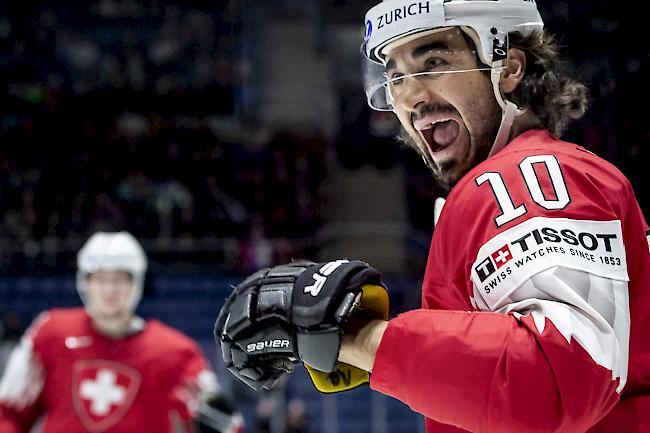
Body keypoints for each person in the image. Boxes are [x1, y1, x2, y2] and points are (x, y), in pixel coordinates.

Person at [214, 0, 650, 432]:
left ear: (510, 68)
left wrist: (359, 338)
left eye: (433, 62)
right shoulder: (517, 181)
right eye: (395, 77)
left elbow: (559, 379)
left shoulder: (523, 177)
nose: (410, 97)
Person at [0, 231, 244, 433]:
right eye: (100, 279)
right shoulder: (50, 333)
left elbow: (224, 424)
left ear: (136, 283)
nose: (109, 289)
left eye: (120, 279)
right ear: (84, 282)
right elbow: (7, 412)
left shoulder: (175, 352)